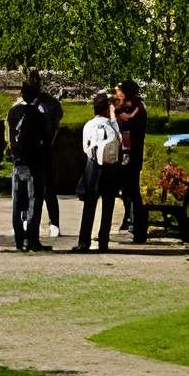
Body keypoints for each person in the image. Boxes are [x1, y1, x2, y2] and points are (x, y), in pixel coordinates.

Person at [6, 75, 60, 253]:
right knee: (34, 201)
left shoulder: (13, 112)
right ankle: (32, 239)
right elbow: (46, 139)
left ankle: (19, 239)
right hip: (35, 162)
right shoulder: (39, 115)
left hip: (18, 162)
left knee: (17, 202)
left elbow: (9, 137)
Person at [74, 90, 122, 254]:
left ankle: (84, 241)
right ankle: (103, 241)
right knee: (108, 204)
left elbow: (84, 148)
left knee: (89, 205)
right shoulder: (110, 125)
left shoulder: (89, 125)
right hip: (110, 167)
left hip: (92, 166)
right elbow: (119, 140)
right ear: (106, 109)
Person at [110, 78, 150, 245]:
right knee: (128, 193)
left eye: (118, 91)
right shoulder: (131, 107)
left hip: (130, 157)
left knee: (132, 193)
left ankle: (139, 229)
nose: (115, 94)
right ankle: (132, 224)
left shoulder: (136, 110)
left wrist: (114, 112)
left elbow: (126, 123)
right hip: (127, 156)